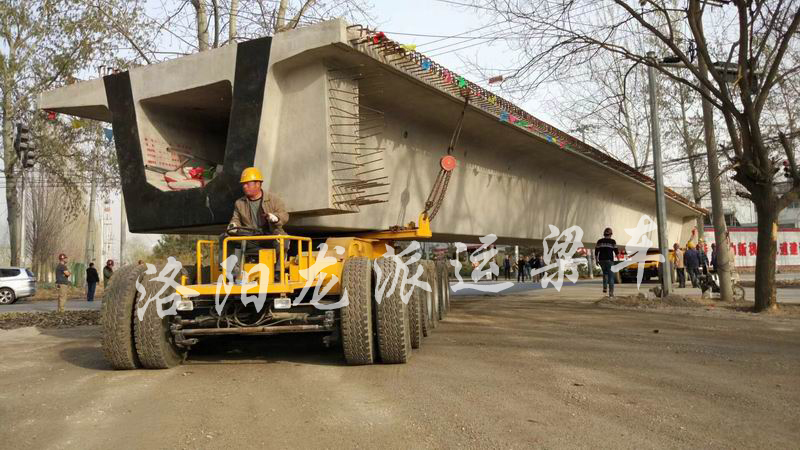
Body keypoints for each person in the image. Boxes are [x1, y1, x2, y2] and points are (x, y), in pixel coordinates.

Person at [228, 167, 289, 282]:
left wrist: (276, 218)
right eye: (243, 184)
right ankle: (230, 271)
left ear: (258, 184)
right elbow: (235, 219)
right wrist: (233, 226)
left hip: (270, 236)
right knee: (226, 238)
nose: (244, 186)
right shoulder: (239, 203)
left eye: (247, 183)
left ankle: (278, 272)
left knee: (283, 239)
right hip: (250, 238)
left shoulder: (274, 199)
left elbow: (284, 215)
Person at [595, 227, 619, 297]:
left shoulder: (599, 241)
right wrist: (618, 260)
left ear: (604, 234)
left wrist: (596, 260)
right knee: (611, 276)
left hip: (601, 260)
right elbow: (616, 252)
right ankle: (611, 293)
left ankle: (605, 287)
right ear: (611, 234)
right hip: (609, 260)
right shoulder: (612, 241)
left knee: (605, 273)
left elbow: (596, 252)